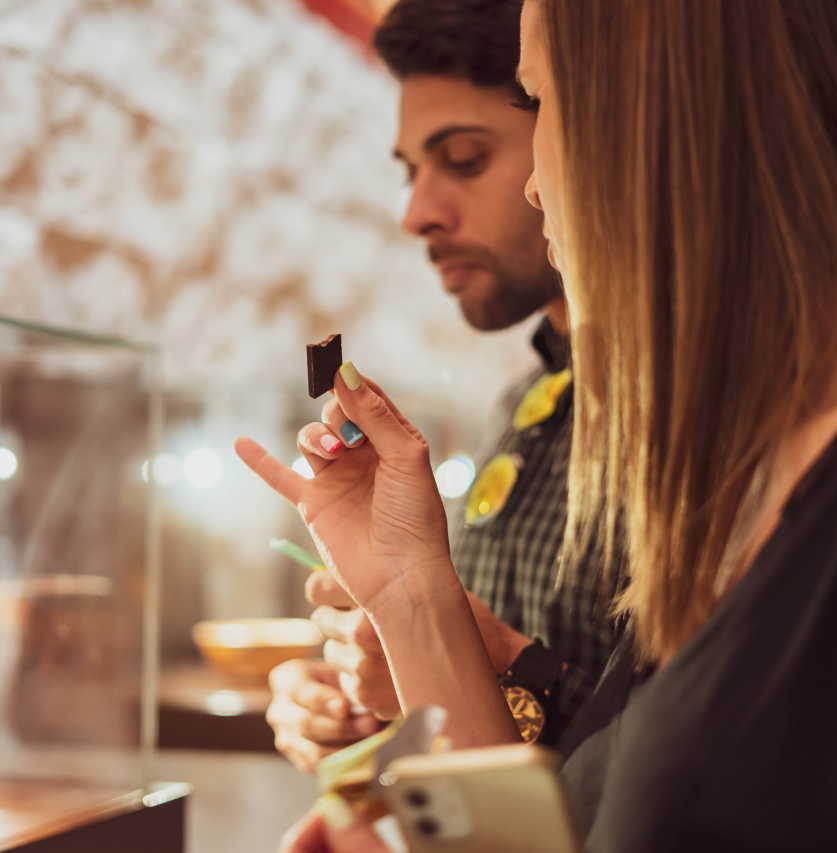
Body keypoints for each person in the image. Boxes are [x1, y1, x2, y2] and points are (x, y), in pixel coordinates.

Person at [240, 0, 837, 849]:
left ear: (677, 110)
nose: (538, 184)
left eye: (541, 103)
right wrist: (409, 590)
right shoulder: (742, 467)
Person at [265, 0, 620, 775]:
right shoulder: (524, 410)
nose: (417, 214)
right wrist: (372, 705)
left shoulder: (690, 413)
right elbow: (469, 740)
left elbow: (710, 764)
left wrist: (498, 660)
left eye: (462, 159)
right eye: (411, 172)